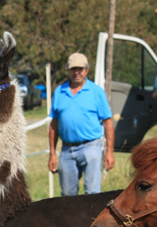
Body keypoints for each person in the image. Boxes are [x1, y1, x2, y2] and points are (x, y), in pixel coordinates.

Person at [48, 52, 114, 196]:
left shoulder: (96, 92)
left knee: (92, 193)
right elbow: (54, 125)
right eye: (73, 69)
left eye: (80, 69)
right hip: (66, 150)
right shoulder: (60, 91)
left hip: (91, 147)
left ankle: (92, 219)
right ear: (68, 70)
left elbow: (108, 123)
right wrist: (52, 154)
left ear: (86, 70)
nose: (77, 72)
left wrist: (109, 152)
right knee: (67, 196)